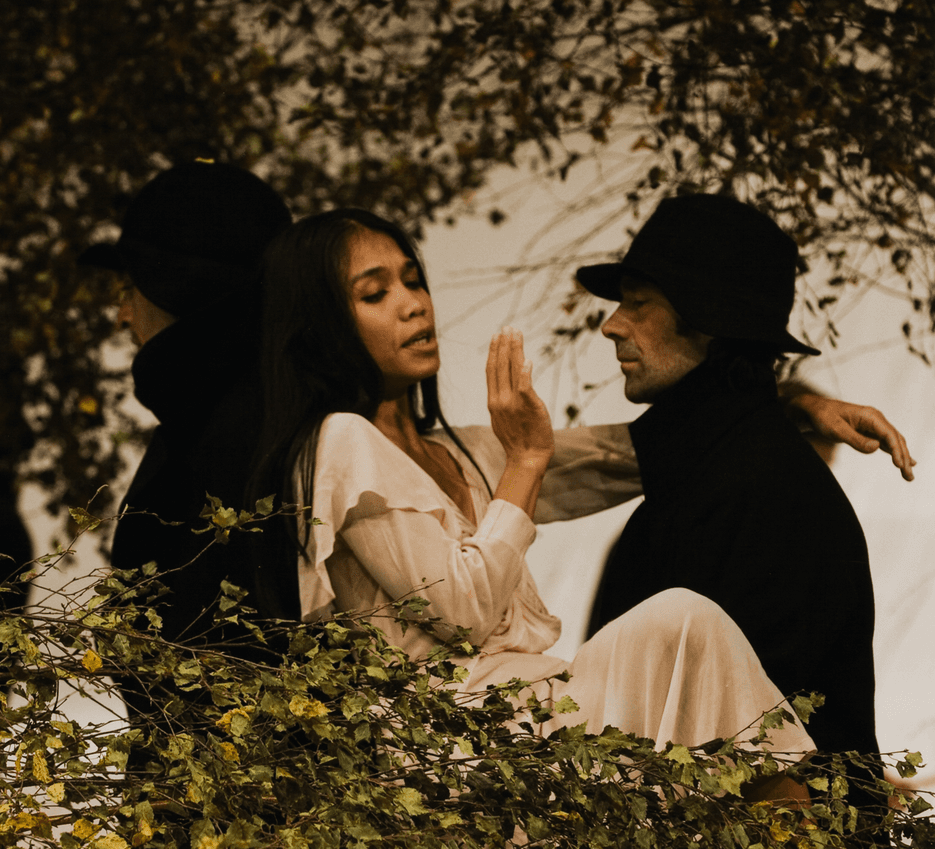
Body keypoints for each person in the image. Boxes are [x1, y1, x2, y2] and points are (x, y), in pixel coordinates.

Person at [249, 207, 908, 795]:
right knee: (681, 621)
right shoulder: (339, 444)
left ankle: (807, 844)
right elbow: (462, 611)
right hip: (450, 748)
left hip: (532, 706)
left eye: (413, 280)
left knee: (685, 623)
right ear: (323, 324)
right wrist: (527, 462)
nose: (413, 304)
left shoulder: (466, 451)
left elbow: (641, 451)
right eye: (375, 293)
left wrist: (792, 407)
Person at [579, 192, 905, 800]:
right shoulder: (704, 479)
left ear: (709, 321)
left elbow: (754, 759)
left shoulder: (770, 497)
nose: (612, 323)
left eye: (640, 303)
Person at [81, 161, 292, 714]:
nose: (121, 314)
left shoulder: (225, 438)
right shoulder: (249, 414)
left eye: (129, 287)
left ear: (176, 286)